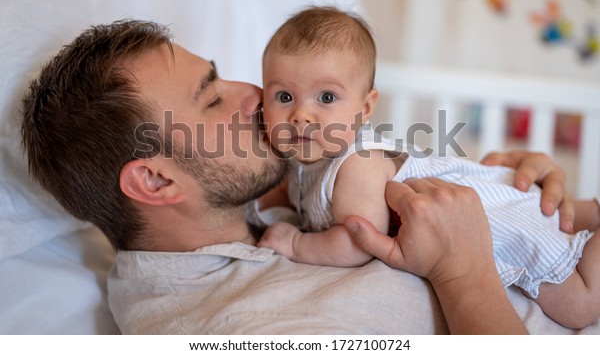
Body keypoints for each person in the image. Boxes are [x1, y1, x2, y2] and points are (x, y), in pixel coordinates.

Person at [20, 19, 575, 334]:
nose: (256, 97)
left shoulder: (257, 209)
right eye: (213, 99)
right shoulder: (248, 330)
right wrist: (465, 275)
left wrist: (504, 193)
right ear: (158, 182)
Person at [257, 6, 600, 329]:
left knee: (580, 304)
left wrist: (296, 245)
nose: (301, 115)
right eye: (284, 97)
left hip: (493, 222)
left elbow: (359, 242)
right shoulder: (304, 163)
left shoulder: (355, 167)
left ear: (364, 108)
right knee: (567, 218)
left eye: (327, 98)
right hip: (487, 201)